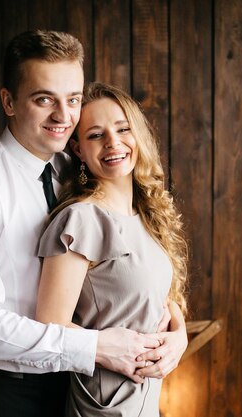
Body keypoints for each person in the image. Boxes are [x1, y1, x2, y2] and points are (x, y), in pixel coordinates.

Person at [0, 30, 186, 417]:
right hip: (10, 393)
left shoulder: (79, 168)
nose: (64, 116)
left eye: (72, 99)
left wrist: (177, 335)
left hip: (77, 384)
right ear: (9, 102)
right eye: (43, 99)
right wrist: (96, 347)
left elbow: (131, 270)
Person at [35, 82, 189, 416]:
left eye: (123, 129)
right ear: (77, 149)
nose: (113, 143)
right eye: (95, 135)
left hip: (146, 402)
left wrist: (180, 334)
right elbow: (50, 322)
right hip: (105, 405)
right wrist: (105, 347)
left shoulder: (147, 214)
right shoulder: (81, 220)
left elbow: (154, 297)